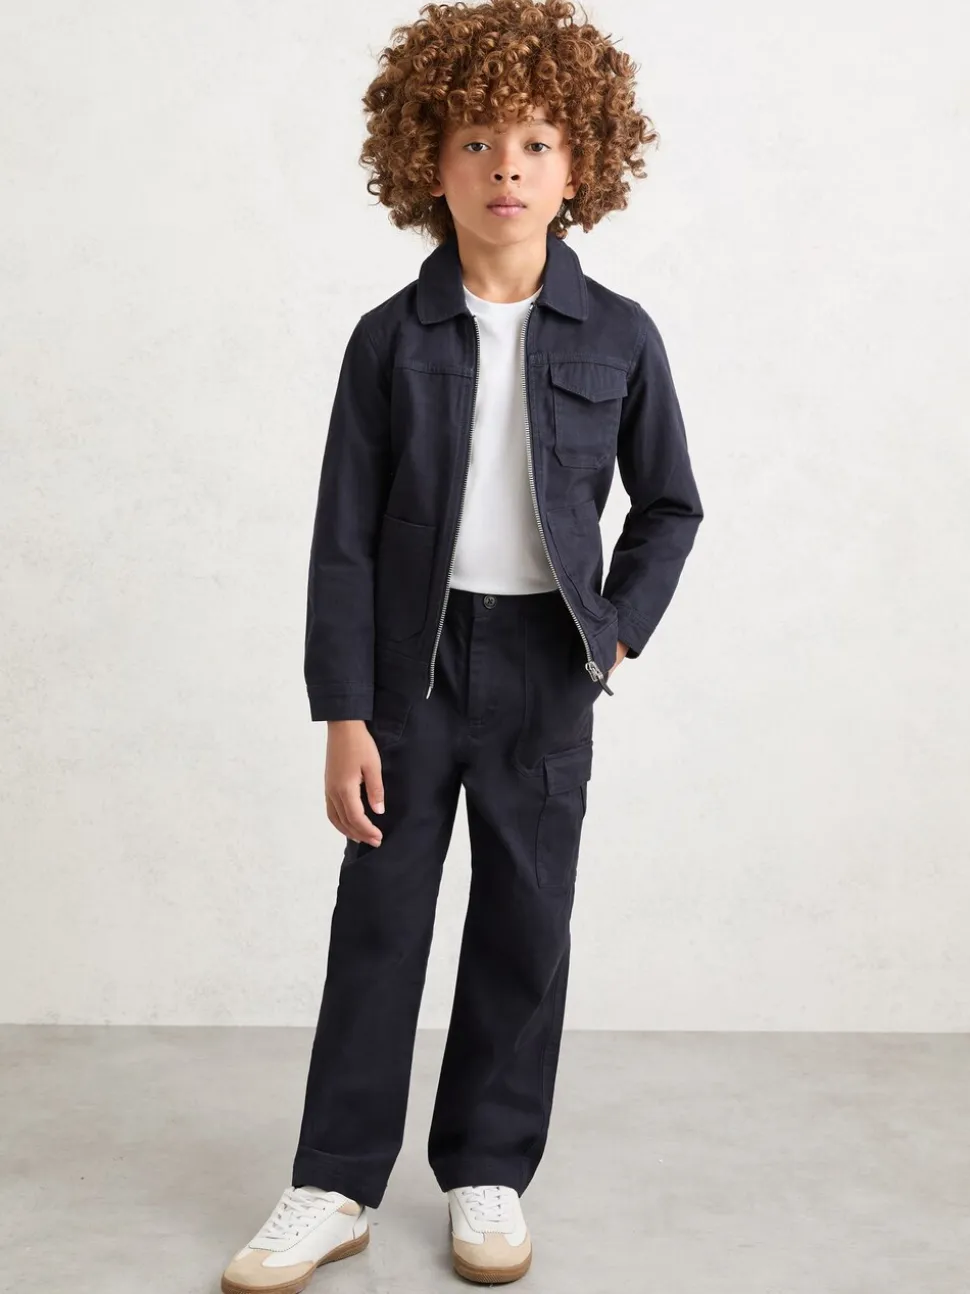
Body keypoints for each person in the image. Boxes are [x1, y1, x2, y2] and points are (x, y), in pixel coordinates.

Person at [221, 0, 703, 1289]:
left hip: (548, 671)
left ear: (581, 163)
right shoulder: (390, 339)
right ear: (426, 164)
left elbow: (670, 505)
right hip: (409, 676)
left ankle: (488, 1170)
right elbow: (343, 540)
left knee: (524, 924)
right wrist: (344, 714)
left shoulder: (621, 335)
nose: (507, 168)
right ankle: (333, 1184)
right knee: (380, 924)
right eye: (478, 141)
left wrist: (616, 636)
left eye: (537, 142)